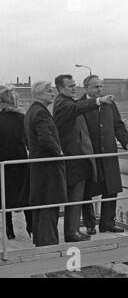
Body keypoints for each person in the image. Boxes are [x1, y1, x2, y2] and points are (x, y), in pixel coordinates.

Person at [53, 74, 115, 242]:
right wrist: (99, 101)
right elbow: (77, 109)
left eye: (74, 85)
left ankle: (73, 230)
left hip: (76, 158)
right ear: (60, 89)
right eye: (70, 86)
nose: (74, 88)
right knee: (75, 196)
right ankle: (71, 233)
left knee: (77, 196)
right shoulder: (63, 104)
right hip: (73, 159)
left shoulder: (67, 102)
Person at [80, 75, 128, 234]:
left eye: (101, 86)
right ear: (87, 88)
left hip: (109, 153)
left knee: (111, 187)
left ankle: (107, 223)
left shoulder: (109, 104)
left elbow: (118, 125)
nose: (100, 89)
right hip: (90, 154)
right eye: (96, 87)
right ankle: (90, 224)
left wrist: (126, 142)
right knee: (88, 190)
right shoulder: (81, 105)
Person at [24, 81, 67, 247]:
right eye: (49, 91)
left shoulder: (32, 111)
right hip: (47, 169)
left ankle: (42, 245)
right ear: (40, 94)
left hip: (38, 167)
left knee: (41, 209)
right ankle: (48, 248)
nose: (53, 94)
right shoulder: (40, 113)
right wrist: (59, 153)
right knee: (49, 208)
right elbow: (45, 138)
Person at [0, 85, 32, 239]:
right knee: (25, 196)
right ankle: (31, 228)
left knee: (4, 197)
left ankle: (9, 231)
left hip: (2, 164)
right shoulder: (22, 119)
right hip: (20, 162)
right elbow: (29, 142)